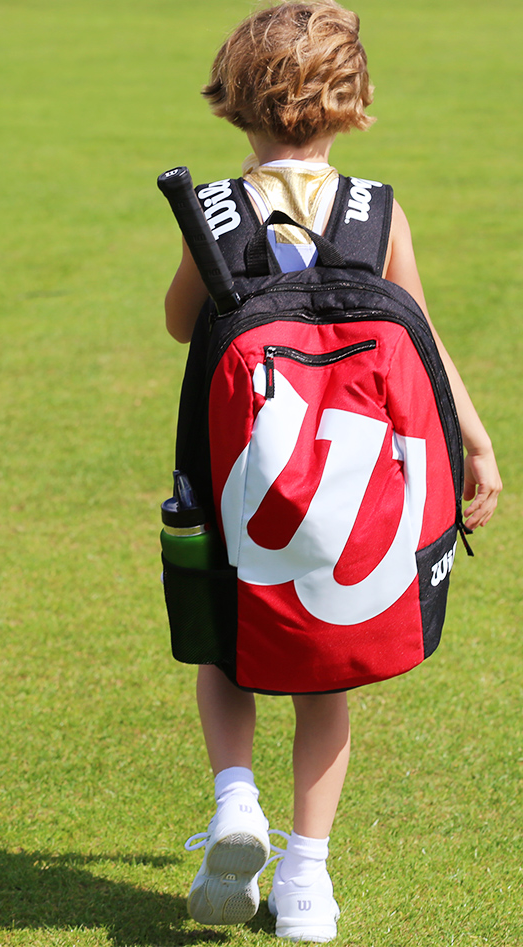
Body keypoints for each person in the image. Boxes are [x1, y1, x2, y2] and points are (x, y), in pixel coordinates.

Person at [163, 1, 503, 941]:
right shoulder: (377, 210)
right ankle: (306, 881)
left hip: (239, 483)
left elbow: (180, 320)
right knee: (327, 676)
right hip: (355, 494)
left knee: (226, 648)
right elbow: (422, 338)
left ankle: (237, 799)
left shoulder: (216, 212)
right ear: (350, 103)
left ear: (236, 100)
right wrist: (474, 439)